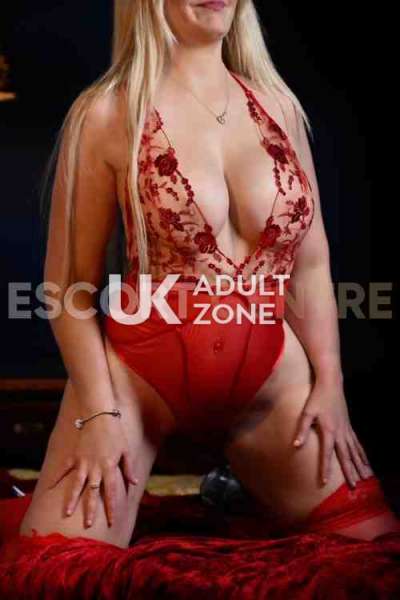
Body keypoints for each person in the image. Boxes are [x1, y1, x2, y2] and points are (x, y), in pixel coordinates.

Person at [20, 0, 399, 548]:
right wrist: (100, 413)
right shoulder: (105, 112)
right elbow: (68, 288)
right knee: (58, 572)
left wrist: (330, 383)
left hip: (274, 381)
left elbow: (310, 265)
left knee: (375, 556)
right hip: (136, 382)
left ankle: (230, 492)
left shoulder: (280, 107)